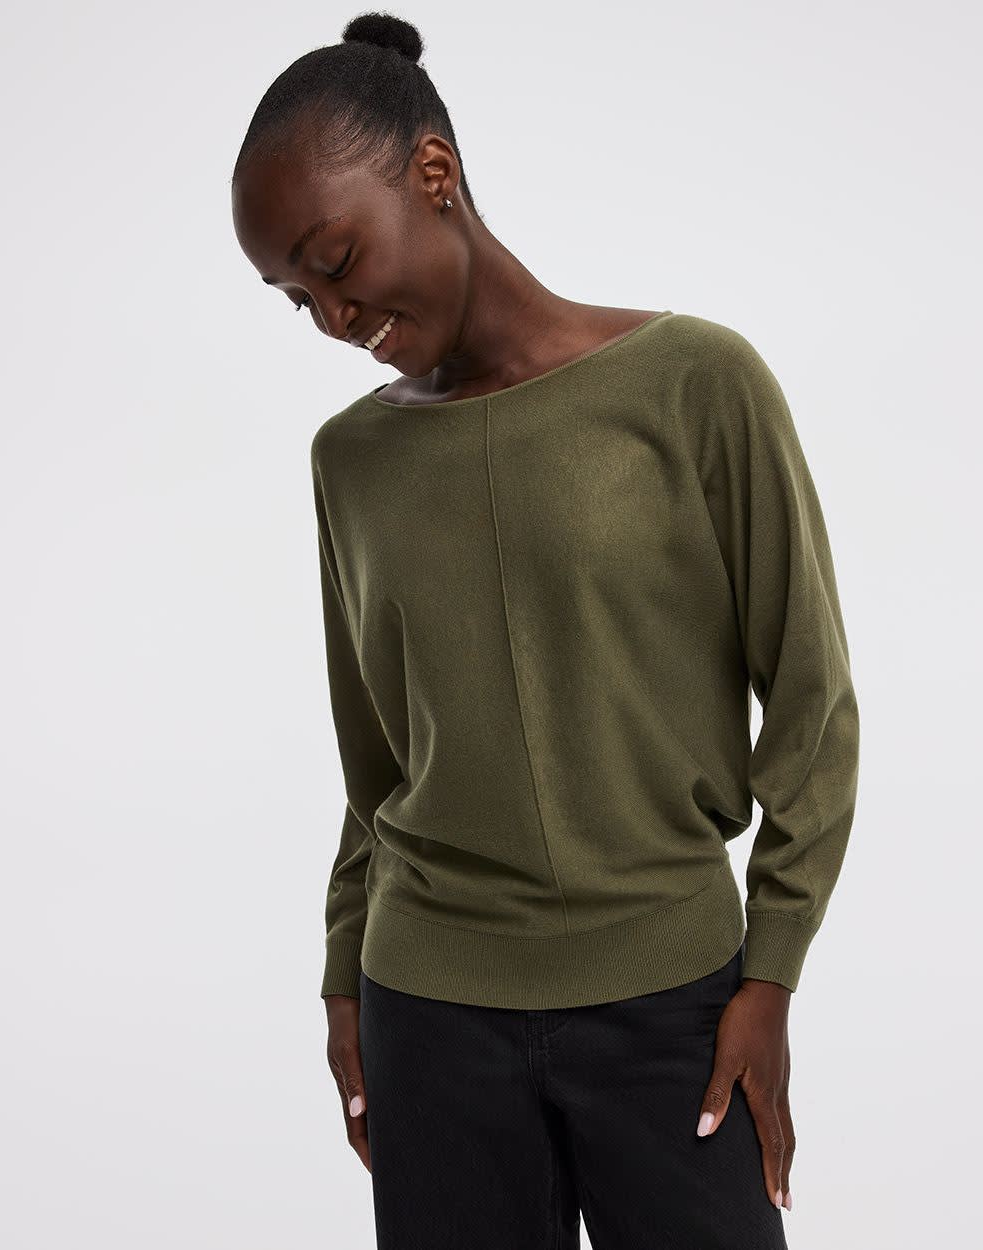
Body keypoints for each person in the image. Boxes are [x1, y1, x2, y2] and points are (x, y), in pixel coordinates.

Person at [231, 13, 860, 1250]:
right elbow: (376, 763)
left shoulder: (694, 383)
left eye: (336, 260)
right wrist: (344, 974)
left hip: (672, 1004)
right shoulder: (349, 459)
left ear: (434, 171)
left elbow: (811, 701)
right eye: (295, 297)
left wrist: (771, 969)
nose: (331, 316)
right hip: (427, 1010)